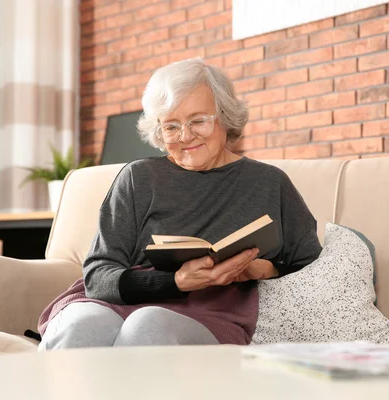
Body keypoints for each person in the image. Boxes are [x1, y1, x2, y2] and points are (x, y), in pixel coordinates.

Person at [37, 58, 322, 350]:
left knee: (148, 325)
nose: (186, 136)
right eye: (172, 126)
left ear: (224, 116)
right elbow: (99, 276)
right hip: (111, 304)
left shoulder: (269, 183)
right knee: (81, 326)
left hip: (208, 315)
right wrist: (176, 281)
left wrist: (262, 270)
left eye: (198, 121)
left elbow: (313, 267)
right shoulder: (138, 178)